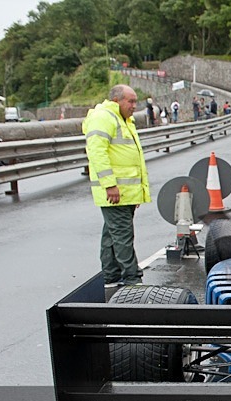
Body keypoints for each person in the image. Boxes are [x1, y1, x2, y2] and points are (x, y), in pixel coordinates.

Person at [82, 84, 150, 288]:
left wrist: (136, 194)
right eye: (130, 101)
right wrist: (110, 184)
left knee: (112, 236)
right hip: (115, 192)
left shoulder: (124, 120)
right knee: (122, 236)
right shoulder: (104, 118)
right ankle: (132, 278)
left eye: (135, 101)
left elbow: (129, 159)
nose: (134, 106)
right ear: (116, 101)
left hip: (125, 192)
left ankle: (110, 276)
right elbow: (97, 153)